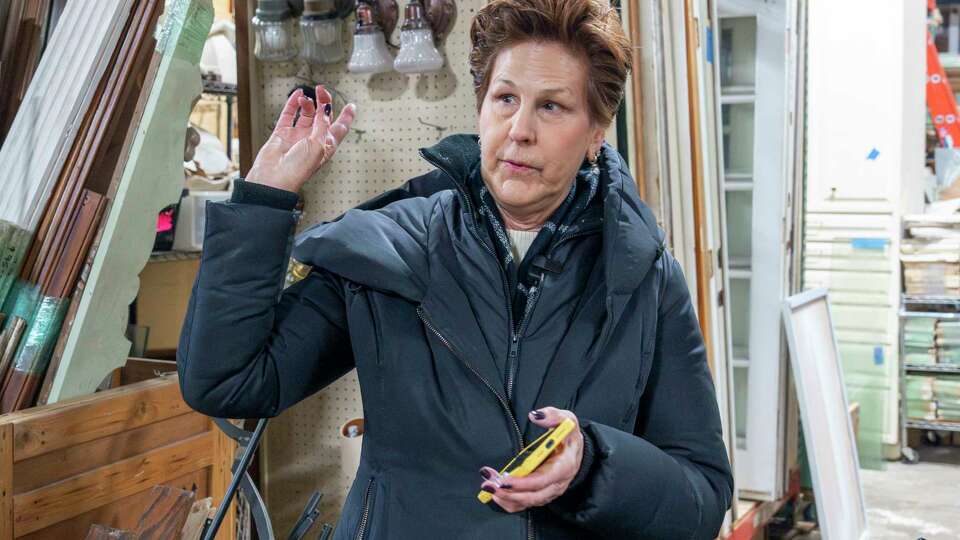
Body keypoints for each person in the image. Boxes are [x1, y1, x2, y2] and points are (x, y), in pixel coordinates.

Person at [177, 0, 733, 538]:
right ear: (480, 108)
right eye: (505, 98)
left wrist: (594, 462)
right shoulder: (388, 251)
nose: (519, 129)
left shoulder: (644, 278)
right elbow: (229, 382)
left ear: (595, 134)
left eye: (552, 106)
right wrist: (262, 202)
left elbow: (702, 499)